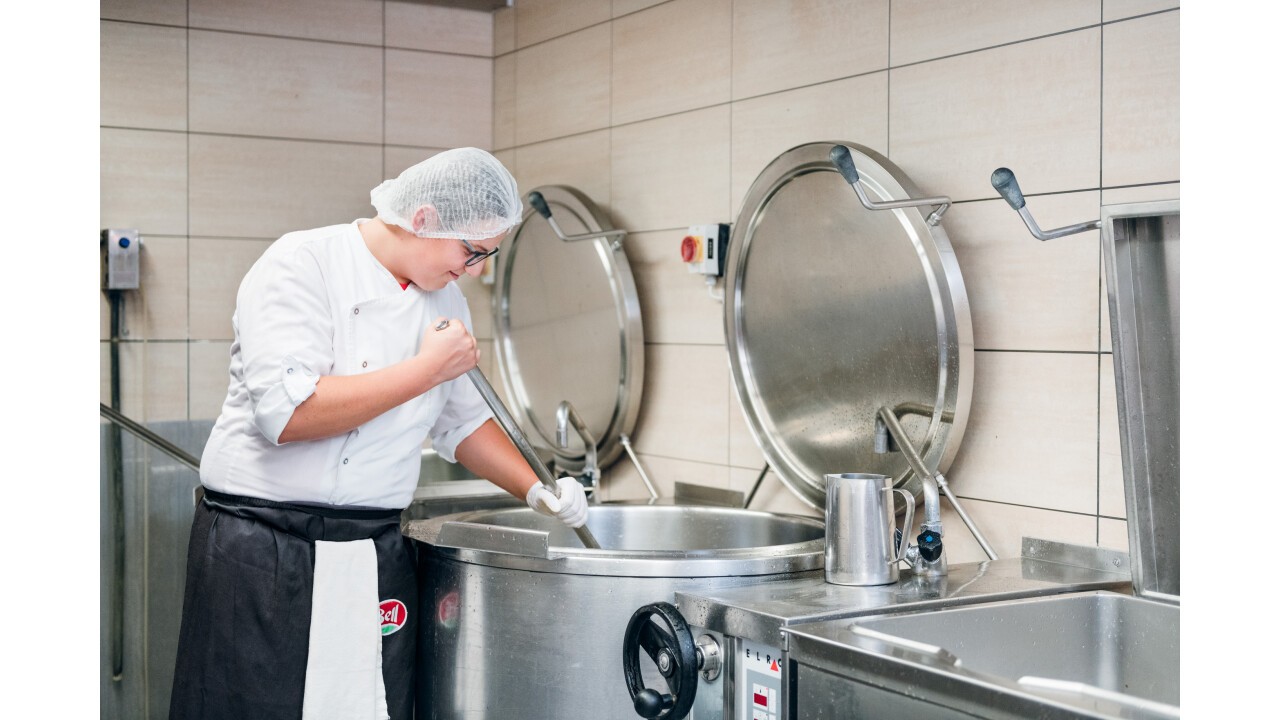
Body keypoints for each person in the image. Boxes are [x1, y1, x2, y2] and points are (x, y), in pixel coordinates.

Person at [168, 148, 589, 720]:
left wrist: (535, 488)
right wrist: (425, 369)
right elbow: (288, 416)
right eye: (472, 251)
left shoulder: (446, 299)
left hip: (371, 549)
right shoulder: (302, 264)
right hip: (263, 548)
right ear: (422, 219)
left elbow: (462, 422)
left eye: (488, 255)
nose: (478, 270)